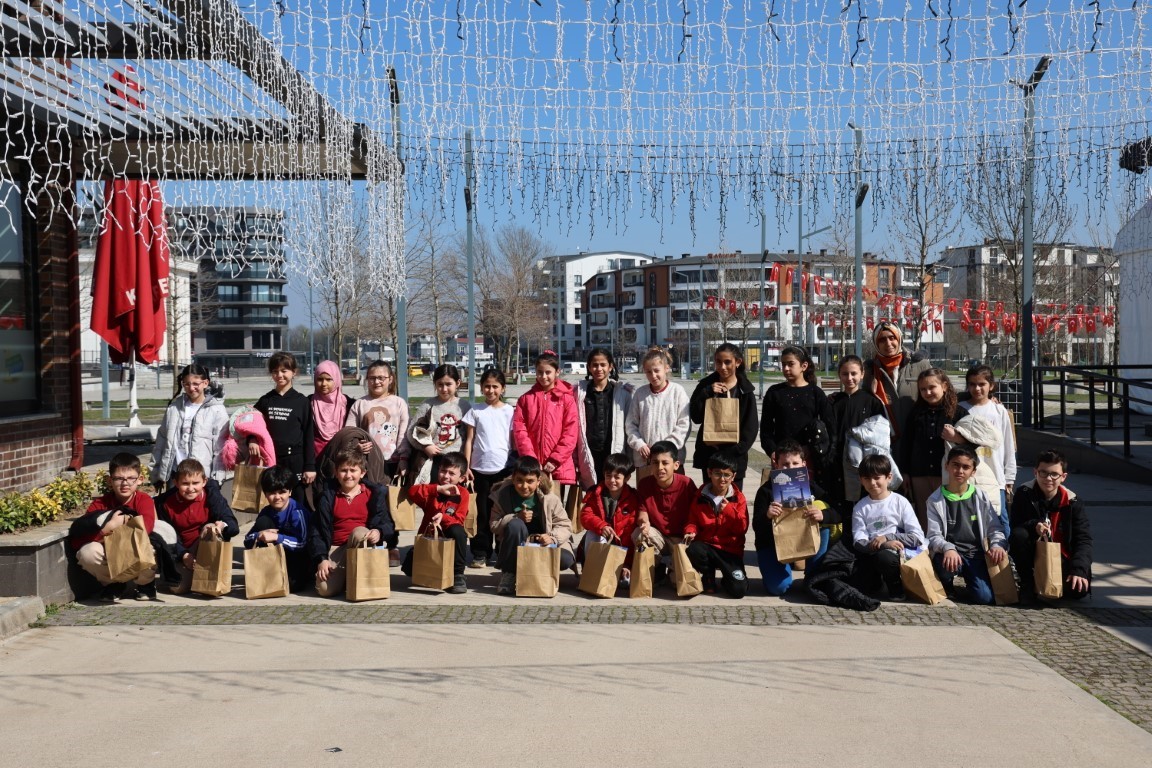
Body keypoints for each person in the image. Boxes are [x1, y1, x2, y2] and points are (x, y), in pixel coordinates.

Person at [752, 439, 840, 596]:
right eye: (785, 464)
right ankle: (775, 572)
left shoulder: (811, 486)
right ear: (776, 464)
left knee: (821, 509)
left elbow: (838, 512)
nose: (790, 468)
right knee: (779, 589)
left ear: (803, 464)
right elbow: (756, 527)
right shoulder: (765, 491)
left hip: (803, 540)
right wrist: (767, 516)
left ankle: (813, 574)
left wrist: (823, 515)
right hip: (773, 546)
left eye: (795, 463)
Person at [69, 452, 158, 602]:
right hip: (110, 553)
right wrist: (107, 528)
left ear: (140, 480)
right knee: (87, 552)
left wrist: (126, 523)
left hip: (135, 548)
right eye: (119, 478)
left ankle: (145, 584)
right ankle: (114, 584)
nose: (125, 483)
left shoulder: (144, 500)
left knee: (151, 547)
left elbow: (146, 529)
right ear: (110, 480)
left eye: (131, 478)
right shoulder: (99, 505)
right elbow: (78, 541)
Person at [924, 446, 1007, 605]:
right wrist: (948, 547)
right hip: (950, 554)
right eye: (955, 465)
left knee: (984, 598)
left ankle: (973, 582)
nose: (960, 470)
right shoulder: (935, 500)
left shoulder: (981, 497)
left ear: (973, 471)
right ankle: (946, 584)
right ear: (947, 466)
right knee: (944, 564)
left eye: (966, 467)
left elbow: (995, 528)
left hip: (975, 554)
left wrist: (997, 545)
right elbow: (934, 536)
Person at [309, 449, 394, 598]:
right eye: (343, 470)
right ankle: (347, 577)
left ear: (362, 473)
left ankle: (354, 577)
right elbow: (316, 531)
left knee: (360, 532)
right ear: (336, 473)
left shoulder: (373, 494)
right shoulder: (327, 496)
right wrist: (322, 559)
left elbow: (388, 524)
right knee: (324, 589)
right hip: (336, 548)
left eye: (353, 470)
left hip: (362, 545)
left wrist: (379, 532)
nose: (348, 475)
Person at [1009, 450, 1092, 602]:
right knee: (1019, 535)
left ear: (1063, 477)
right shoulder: (1024, 493)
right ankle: (1027, 582)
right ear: (1035, 472)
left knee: (1078, 591)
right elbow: (1015, 524)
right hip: (1032, 551)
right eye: (1043, 473)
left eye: (1054, 474)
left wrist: (1079, 570)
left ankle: (1054, 580)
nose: (1048, 478)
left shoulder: (1073, 502)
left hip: (1062, 555)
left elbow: (1083, 539)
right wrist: (1034, 526)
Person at [490, 456, 575, 596]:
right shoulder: (502, 495)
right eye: (519, 481)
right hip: (515, 545)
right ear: (513, 478)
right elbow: (494, 525)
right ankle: (509, 574)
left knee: (565, 559)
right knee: (515, 524)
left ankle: (537, 574)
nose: (524, 486)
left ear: (538, 481)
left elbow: (565, 525)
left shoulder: (549, 498)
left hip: (543, 544)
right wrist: (516, 517)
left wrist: (552, 537)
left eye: (530, 481)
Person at [155, 458, 240, 595]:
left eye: (195, 483)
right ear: (176, 483)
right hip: (182, 550)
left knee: (209, 527)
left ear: (204, 482)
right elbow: (168, 536)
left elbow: (233, 525)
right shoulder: (165, 504)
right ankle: (193, 575)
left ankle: (207, 574)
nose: (190, 488)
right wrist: (184, 554)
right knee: (178, 588)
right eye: (185, 484)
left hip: (205, 547)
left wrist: (221, 525)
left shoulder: (212, 497)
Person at [512, 350, 580, 512]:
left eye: (548, 372)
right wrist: (532, 460)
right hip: (532, 468)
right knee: (532, 510)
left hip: (557, 466)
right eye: (540, 372)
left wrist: (555, 460)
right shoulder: (525, 399)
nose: (544, 377)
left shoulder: (566, 399)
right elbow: (520, 431)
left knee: (555, 510)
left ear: (557, 372)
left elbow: (570, 432)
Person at [851, 453, 925, 601]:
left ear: (889, 477)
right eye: (867, 478)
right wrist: (881, 544)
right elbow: (859, 540)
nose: (872, 483)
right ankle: (877, 583)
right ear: (861, 480)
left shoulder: (900, 502)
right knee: (860, 584)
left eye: (877, 478)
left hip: (898, 555)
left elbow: (917, 537)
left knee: (884, 558)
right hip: (871, 553)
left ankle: (896, 587)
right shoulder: (860, 507)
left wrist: (888, 538)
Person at [461, 368, 515, 568]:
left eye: (495, 386)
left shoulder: (510, 411)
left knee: (501, 513)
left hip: (503, 471)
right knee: (480, 514)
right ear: (482, 387)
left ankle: (502, 551)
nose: (491, 390)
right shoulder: (475, 410)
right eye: (487, 386)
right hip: (478, 471)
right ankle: (480, 552)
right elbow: (469, 440)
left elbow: (514, 441)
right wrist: (466, 466)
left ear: (503, 388)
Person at [955, 364, 1017, 532]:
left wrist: (1009, 477)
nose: (977, 388)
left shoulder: (999, 410)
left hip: (995, 477)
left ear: (991, 385)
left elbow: (1008, 444)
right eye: (972, 384)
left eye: (982, 384)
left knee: (1000, 518)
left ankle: (1004, 554)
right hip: (968, 477)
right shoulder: (959, 409)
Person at [688, 343, 759, 489]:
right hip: (709, 456)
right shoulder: (705, 385)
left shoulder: (744, 390)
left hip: (734, 459)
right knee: (709, 500)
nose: (723, 367)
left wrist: (733, 450)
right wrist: (706, 393)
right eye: (719, 362)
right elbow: (696, 417)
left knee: (732, 502)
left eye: (727, 362)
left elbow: (750, 428)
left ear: (737, 362)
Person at [401, 452, 472, 594]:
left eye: (452, 473)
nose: (446, 476)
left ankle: (458, 575)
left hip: (449, 536)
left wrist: (443, 517)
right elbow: (412, 492)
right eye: (443, 471)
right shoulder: (432, 490)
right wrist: (437, 489)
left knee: (458, 531)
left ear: (462, 478)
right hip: (429, 537)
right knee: (409, 569)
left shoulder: (463, 493)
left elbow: (459, 519)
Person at [151, 363, 228, 490]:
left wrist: (217, 479)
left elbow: (221, 448)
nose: (191, 388)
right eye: (187, 384)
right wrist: (156, 474)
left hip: (201, 478)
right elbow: (161, 441)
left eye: (196, 384)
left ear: (205, 383)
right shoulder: (173, 408)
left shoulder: (217, 410)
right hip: (175, 476)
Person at [900, 367, 960, 528]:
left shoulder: (956, 411)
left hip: (947, 474)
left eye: (932, 387)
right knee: (925, 517)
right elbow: (907, 443)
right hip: (919, 473)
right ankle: (929, 551)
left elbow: (970, 441)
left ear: (945, 386)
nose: (927, 392)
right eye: (923, 389)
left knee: (948, 516)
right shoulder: (916, 413)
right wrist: (905, 472)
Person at [683, 452, 749, 598]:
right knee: (693, 549)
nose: (722, 479)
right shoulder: (700, 496)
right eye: (717, 474)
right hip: (707, 546)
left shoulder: (738, 498)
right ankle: (708, 575)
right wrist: (691, 530)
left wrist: (730, 511)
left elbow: (742, 528)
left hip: (730, 550)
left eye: (727, 475)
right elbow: (692, 519)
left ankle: (728, 578)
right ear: (709, 473)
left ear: (733, 476)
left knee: (739, 590)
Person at [759, 345, 833, 476]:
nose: (786, 368)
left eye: (791, 364)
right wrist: (773, 451)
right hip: (782, 459)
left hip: (808, 457)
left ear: (804, 366)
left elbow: (830, 427)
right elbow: (766, 429)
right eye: (783, 364)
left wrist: (811, 449)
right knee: (783, 494)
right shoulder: (774, 393)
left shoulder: (816, 393)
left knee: (808, 495)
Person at [251, 351, 316, 497]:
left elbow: (309, 435)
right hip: (272, 460)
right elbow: (251, 424)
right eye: (275, 371)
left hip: (296, 461)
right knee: (275, 500)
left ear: (294, 372)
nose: (279, 375)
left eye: (284, 371)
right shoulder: (265, 401)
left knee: (297, 503)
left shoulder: (302, 402)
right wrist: (252, 440)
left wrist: (310, 466)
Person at [861, 321, 932, 453]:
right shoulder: (870, 370)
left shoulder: (920, 364)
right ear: (876, 343)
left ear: (899, 338)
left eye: (892, 337)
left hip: (917, 438)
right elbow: (862, 400)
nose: (888, 343)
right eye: (882, 339)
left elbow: (939, 392)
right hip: (886, 442)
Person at [826, 354, 886, 505]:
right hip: (837, 460)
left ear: (862, 374)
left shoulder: (872, 402)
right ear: (839, 374)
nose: (849, 378)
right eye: (845, 374)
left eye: (854, 373)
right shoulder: (833, 402)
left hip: (864, 461)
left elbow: (879, 434)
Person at [632, 440, 698, 576]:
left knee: (678, 582)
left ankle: (673, 569)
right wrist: (644, 523)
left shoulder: (686, 484)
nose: (660, 468)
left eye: (665, 463)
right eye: (655, 463)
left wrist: (691, 531)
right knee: (638, 534)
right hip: (659, 537)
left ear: (676, 465)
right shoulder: (645, 484)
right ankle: (657, 567)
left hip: (681, 539)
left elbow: (697, 513)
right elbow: (642, 511)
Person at [244, 465, 311, 592]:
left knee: (292, 586)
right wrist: (259, 535)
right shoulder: (266, 512)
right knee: (263, 522)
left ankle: (304, 574)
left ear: (290, 492)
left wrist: (276, 537)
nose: (277, 497)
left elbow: (302, 543)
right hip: (273, 556)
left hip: (296, 556)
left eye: (282, 492)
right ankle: (269, 573)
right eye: (272, 493)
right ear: (265, 494)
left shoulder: (297, 511)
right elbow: (247, 539)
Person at [579, 452, 641, 587]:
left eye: (617, 477)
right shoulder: (596, 493)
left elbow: (630, 536)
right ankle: (593, 571)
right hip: (602, 544)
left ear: (627, 477)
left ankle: (620, 571)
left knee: (625, 584)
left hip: (622, 550)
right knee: (592, 533)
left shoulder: (633, 499)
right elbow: (585, 516)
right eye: (608, 476)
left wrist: (627, 564)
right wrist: (601, 526)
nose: (612, 480)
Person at [403, 363, 471, 485]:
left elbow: (470, 438)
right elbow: (410, 433)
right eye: (440, 384)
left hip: (457, 463)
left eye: (448, 384)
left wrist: (467, 464)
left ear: (458, 383)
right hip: (434, 463)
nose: (444, 389)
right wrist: (425, 447)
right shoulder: (427, 405)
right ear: (435, 384)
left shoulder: (464, 406)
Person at [575, 348, 634, 489]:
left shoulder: (623, 394)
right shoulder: (579, 393)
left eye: (603, 364)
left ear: (610, 366)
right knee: (592, 493)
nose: (599, 368)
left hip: (613, 451)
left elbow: (629, 425)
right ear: (589, 367)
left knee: (613, 492)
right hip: (589, 453)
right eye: (594, 365)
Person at [625, 347, 691, 469]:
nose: (653, 375)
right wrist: (640, 444)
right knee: (646, 488)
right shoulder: (640, 394)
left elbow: (684, 424)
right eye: (649, 372)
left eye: (656, 371)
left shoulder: (677, 391)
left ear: (666, 368)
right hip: (646, 459)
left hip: (671, 460)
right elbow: (631, 424)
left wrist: (666, 448)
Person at [345, 360, 409, 478]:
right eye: (372, 378)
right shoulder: (359, 404)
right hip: (366, 463)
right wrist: (356, 445)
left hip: (393, 463)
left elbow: (403, 435)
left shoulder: (399, 403)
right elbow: (349, 432)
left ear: (390, 379)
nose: (376, 382)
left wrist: (403, 458)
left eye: (381, 378)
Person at [309, 360, 356, 457]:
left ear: (337, 379)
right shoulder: (307, 403)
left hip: (342, 460)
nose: (324, 383)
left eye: (328, 379)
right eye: (320, 379)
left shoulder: (349, 404)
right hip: (315, 461)